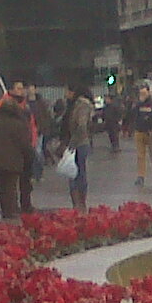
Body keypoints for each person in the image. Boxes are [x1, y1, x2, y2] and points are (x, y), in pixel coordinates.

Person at [0, 96, 36, 219]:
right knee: (11, 187)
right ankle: (12, 211)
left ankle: (5, 210)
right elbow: (24, 144)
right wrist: (30, 155)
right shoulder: (17, 124)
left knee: (2, 187)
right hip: (14, 160)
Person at [60, 82, 94, 210]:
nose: (65, 94)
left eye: (67, 91)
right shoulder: (74, 105)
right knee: (76, 172)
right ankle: (78, 203)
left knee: (76, 173)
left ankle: (79, 203)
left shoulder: (82, 105)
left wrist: (72, 144)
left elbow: (81, 125)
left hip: (79, 143)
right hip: (77, 142)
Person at [131, 85, 152, 186]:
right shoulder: (138, 104)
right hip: (139, 131)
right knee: (140, 156)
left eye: (144, 93)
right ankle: (141, 176)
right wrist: (138, 104)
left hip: (150, 132)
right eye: (141, 94)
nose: (143, 95)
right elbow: (132, 115)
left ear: (149, 93)